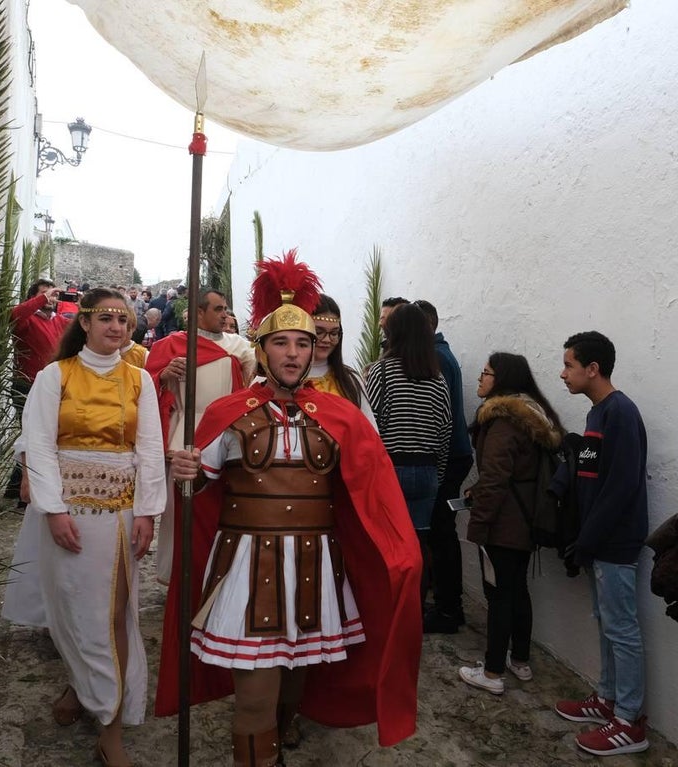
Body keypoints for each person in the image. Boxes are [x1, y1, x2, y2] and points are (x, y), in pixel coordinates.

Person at [156, 252, 422, 767]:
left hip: (316, 567)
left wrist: (399, 557)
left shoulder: (342, 414)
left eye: (303, 343)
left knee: (295, 686)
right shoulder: (228, 413)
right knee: (255, 697)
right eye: (281, 342)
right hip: (247, 569)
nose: (295, 353)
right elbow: (200, 489)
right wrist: (185, 472)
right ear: (261, 349)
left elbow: (371, 496)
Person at [15, 287, 168, 767]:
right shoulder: (53, 377)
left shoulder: (140, 380)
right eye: (106, 317)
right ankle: (80, 684)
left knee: (112, 613)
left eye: (124, 319)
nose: (117, 326)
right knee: (69, 608)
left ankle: (111, 723)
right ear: (84, 322)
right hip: (67, 514)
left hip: (119, 517)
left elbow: (150, 451)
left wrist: (147, 513)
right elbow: (38, 446)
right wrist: (54, 511)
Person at [553, 331, 650, 757]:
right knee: (607, 622)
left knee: (622, 630)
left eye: (570, 365)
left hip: (614, 543)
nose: (563, 373)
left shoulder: (621, 413)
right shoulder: (596, 415)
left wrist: (589, 539)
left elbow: (622, 485)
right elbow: (590, 483)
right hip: (595, 542)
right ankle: (607, 699)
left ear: (593, 369)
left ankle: (629, 720)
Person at [457, 353, 564, 695]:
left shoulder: (503, 422)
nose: (479, 379)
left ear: (501, 380)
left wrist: (478, 527)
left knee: (499, 595)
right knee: (518, 591)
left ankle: (491, 673)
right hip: (527, 520)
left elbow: (495, 480)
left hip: (503, 524)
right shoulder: (534, 416)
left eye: (485, 373)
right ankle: (520, 661)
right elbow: (517, 474)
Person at [146, 288, 256, 584]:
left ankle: (218, 570)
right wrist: (165, 375)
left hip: (225, 434)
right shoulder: (172, 345)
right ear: (198, 312)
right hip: (185, 433)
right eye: (218, 309)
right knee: (178, 512)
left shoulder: (239, 346)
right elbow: (148, 387)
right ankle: (176, 574)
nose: (224, 315)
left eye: (226, 309)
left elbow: (252, 383)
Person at [364, 302, 451, 602]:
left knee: (387, 544)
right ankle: (414, 609)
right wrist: (436, 476)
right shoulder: (437, 378)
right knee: (419, 545)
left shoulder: (382, 371)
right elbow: (445, 430)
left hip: (391, 469)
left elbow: (371, 424)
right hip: (426, 471)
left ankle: (390, 608)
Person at [413, 299, 474, 634]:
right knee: (440, 533)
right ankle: (447, 604)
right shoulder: (440, 355)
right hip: (451, 454)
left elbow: (440, 420)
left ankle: (450, 609)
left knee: (440, 534)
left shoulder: (434, 358)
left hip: (446, 457)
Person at [307, 294, 377, 424]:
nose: (327, 340)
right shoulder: (277, 380)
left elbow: (369, 432)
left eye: (334, 333)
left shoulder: (350, 380)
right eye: (319, 331)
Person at [10, 279, 72, 407]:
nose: (50, 297)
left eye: (53, 294)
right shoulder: (28, 319)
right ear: (33, 298)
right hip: (28, 385)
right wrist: (43, 298)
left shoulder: (60, 320)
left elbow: (86, 327)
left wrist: (85, 306)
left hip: (55, 387)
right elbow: (15, 315)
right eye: (45, 293)